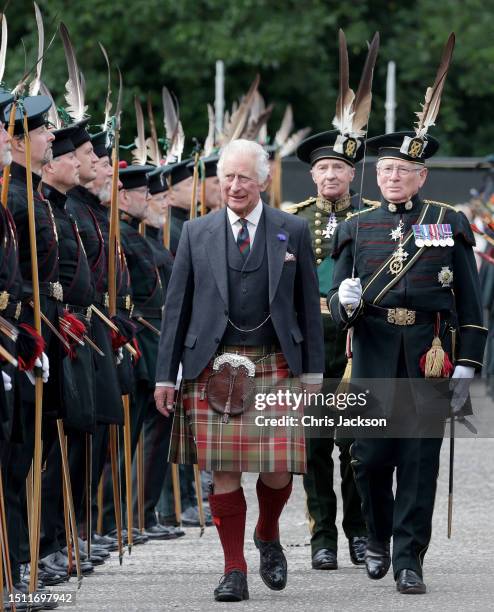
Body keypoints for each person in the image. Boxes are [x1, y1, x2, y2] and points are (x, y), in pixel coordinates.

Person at [155, 139, 324, 602]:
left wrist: (312, 374)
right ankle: (234, 569)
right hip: (213, 365)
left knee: (278, 468)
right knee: (224, 468)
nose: (234, 186)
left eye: (244, 177)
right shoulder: (196, 232)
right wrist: (166, 375)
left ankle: (267, 533)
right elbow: (176, 309)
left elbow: (308, 305)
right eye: (227, 177)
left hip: (276, 361)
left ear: (264, 181)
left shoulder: (292, 229)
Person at [328, 127, 487, 594]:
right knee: (370, 457)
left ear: (422, 176)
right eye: (386, 169)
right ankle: (376, 535)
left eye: (403, 170)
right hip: (374, 352)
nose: (393, 176)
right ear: (375, 175)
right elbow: (339, 305)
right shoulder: (355, 226)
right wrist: (346, 302)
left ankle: (409, 558)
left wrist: (467, 363)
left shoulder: (447, 220)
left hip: (429, 354)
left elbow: (470, 302)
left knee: (420, 461)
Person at [291, 130, 368, 570]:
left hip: (358, 340)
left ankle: (358, 531)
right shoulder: (296, 220)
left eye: (339, 167)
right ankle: (323, 536)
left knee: (356, 443)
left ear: (352, 173)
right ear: (314, 175)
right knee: (315, 445)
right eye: (323, 167)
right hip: (313, 342)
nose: (330, 174)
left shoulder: (374, 217)